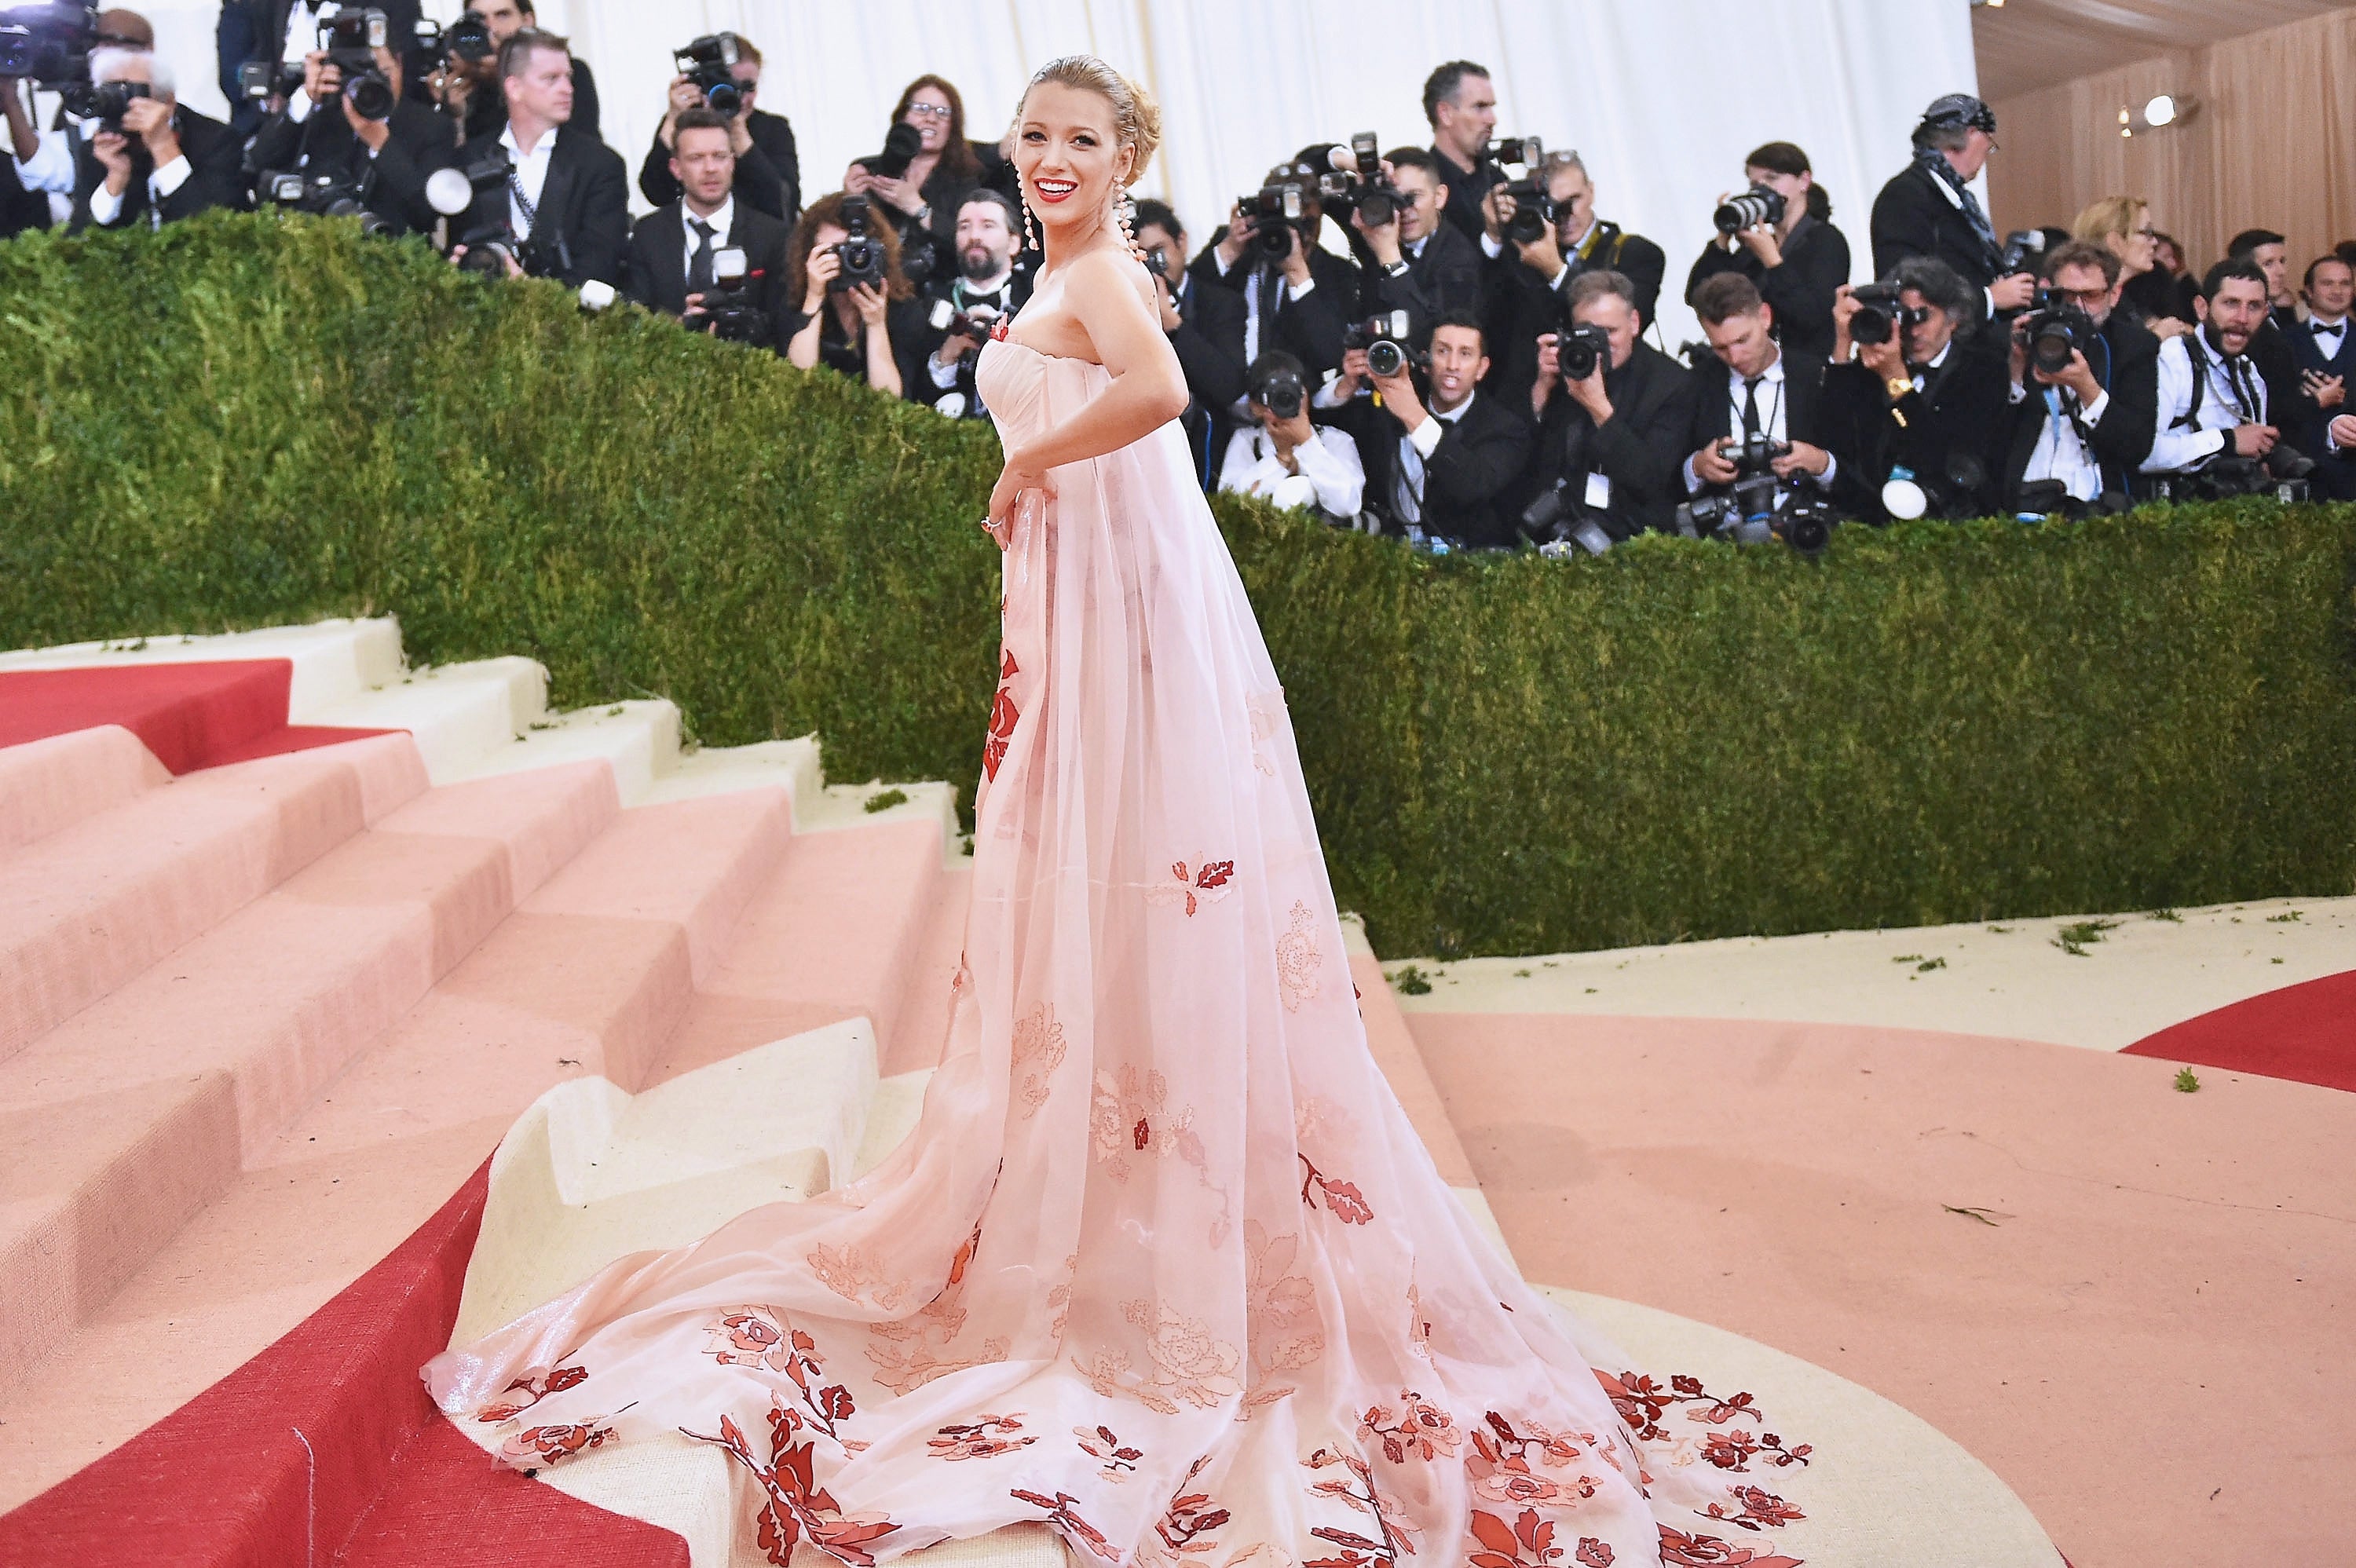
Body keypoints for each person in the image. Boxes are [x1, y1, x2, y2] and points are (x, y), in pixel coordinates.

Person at [431, 62, 1797, 1557]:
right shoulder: (1063, 266)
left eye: (1082, 139)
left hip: (1121, 624)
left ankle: (1163, 1245)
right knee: (1103, 912)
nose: (1051, 158)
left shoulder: (1104, 276)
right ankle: (1121, 1203)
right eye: (1036, 138)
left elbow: (1162, 392)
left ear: (1129, 155)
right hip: (1083, 617)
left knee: (1140, 899)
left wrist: (1025, 458)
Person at [1326, 308, 1535, 548]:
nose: (1452, 365)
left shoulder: (1507, 429)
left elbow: (1474, 483)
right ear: (1424, 362)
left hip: (1465, 564)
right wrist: (1346, 386)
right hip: (1385, 553)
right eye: (1443, 351)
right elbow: (1326, 429)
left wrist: (1414, 416)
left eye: (1465, 354)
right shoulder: (1391, 402)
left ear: (1481, 368)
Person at [1821, 256, 2010, 521]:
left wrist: (1896, 381)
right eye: (1904, 318)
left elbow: (1947, 460)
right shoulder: (1871, 367)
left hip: (1949, 518)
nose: (1913, 330)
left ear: (1953, 318)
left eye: (1923, 316)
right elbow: (1834, 439)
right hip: (1873, 518)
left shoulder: (1984, 369)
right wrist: (1842, 343)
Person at [1520, 270, 1696, 543]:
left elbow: (1651, 480)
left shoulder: (1672, 384)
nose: (1600, 344)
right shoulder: (1567, 366)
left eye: (1610, 331)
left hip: (1637, 537)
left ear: (1635, 323)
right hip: (1557, 529)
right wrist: (1542, 389)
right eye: (1589, 333)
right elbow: (1523, 455)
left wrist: (1599, 407)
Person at [1480, 151, 1666, 402]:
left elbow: (1634, 322)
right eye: (1555, 206)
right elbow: (1484, 316)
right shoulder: (1519, 255)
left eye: (1573, 199)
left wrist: (1556, 270)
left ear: (1591, 191)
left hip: (1611, 400)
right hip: (1534, 407)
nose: (1566, 215)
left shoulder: (1635, 253)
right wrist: (1494, 236)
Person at [447, 30, 627, 289]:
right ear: (514, 88)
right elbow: (461, 243)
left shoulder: (601, 165)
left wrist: (532, 291)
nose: (567, 89)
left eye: (568, 78)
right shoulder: (469, 158)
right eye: (551, 79)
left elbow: (599, 268)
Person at [1999, 241, 2160, 513]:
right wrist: (2016, 372)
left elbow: (2137, 446)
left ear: (2115, 294)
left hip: (2099, 502)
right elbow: (1989, 440)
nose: (2077, 307)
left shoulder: (2134, 346)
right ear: (2049, 290)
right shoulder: (2018, 337)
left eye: (2091, 296)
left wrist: (2087, 388)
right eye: (2068, 296)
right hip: (2022, 497)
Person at [1681, 272, 1856, 518]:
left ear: (1765, 316)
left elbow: (1858, 474)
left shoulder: (1814, 376)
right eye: (1720, 347)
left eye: (1743, 340)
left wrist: (1821, 464)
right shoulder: (1696, 385)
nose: (1735, 357)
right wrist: (1697, 467)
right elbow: (1666, 479)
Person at [240, 38, 455, 236]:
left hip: (391, 253)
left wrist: (381, 145)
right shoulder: (323, 115)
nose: (374, 85)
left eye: (383, 72)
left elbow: (427, 213)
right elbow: (259, 160)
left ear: (399, 64)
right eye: (361, 75)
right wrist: (305, 97)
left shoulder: (432, 127)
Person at [620, 108, 787, 342]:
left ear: (733, 162)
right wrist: (675, 327)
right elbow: (635, 315)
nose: (711, 168)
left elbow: (783, 323)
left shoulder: (771, 235)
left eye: (719, 156)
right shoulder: (648, 233)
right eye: (696, 158)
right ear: (676, 168)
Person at [1869, 93, 2037, 322]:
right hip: (1944, 350)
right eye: (1989, 145)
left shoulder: (1948, 195)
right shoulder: (1904, 197)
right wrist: (1989, 298)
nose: (1986, 157)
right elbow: (1903, 285)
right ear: (1972, 134)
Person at [1685, 141, 1851, 365]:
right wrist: (1723, 239)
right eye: (1755, 183)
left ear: (1804, 181)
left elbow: (1812, 316)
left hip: (1807, 369)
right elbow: (1699, 296)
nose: (1763, 189)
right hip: (1754, 367)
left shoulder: (1825, 240)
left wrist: (1773, 261)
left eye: (1772, 178)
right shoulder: (1755, 248)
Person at [1132, 196, 1246, 488]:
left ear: (1181, 242)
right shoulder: (1122, 309)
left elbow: (1229, 387)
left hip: (1211, 458)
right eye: (1141, 259)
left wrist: (1173, 324)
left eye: (1159, 253)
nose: (1154, 269)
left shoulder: (1221, 303)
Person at [2143, 258, 2284, 484]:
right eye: (2231, 303)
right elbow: (2144, 453)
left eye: (2254, 306)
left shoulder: (2250, 373)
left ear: (2266, 312)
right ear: (2202, 308)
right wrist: (2226, 441)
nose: (2242, 318)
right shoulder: (2172, 359)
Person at [71, 47, 243, 230]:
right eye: (110, 92)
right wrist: (115, 180)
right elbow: (79, 241)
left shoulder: (216, 141)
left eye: (130, 92)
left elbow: (218, 229)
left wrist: (163, 148)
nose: (121, 104)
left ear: (168, 103)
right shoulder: (98, 150)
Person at [846, 75, 991, 291]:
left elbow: (972, 243)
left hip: (941, 289)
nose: (931, 118)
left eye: (943, 112)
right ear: (902, 116)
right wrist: (850, 200)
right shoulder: (869, 169)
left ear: (953, 126)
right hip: (876, 285)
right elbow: (848, 235)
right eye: (921, 108)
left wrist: (919, 208)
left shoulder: (967, 178)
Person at [639, 32, 799, 226]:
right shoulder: (683, 124)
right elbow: (656, 192)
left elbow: (785, 203)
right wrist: (673, 118)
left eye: (748, 86)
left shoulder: (773, 128)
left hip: (759, 240)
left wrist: (743, 143)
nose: (740, 96)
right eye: (727, 85)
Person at [778, 189, 926, 396]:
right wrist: (815, 298)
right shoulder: (795, 304)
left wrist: (876, 325)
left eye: (855, 251)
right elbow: (799, 380)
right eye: (833, 251)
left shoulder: (904, 309)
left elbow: (890, 399)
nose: (846, 261)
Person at [1218, 349, 1366, 523]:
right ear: (1255, 406)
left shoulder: (1336, 441)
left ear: (1307, 396)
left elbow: (1347, 505)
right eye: (1276, 396)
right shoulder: (1247, 442)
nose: (1286, 402)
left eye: (1294, 394)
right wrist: (1282, 458)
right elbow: (1231, 506)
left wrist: (1308, 443)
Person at [426, 0, 598, 148]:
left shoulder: (567, 73)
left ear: (527, 20)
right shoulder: (462, 81)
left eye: (502, 15)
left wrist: (501, 74)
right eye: (479, 19)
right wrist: (453, 114)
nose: (492, 28)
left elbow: (575, 145)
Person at [915, 188, 1023, 420]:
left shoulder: (1037, 294)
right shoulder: (932, 303)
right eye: (964, 226)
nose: (974, 236)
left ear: (1014, 243)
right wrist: (946, 356)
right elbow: (917, 402)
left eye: (988, 225)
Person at [1370, 144, 1483, 319]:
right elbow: (1314, 165)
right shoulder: (1372, 234)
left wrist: (1391, 261)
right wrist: (1354, 165)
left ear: (1439, 197)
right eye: (1393, 199)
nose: (1405, 209)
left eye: (1412, 197)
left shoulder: (1460, 258)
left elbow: (1432, 334)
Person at [2072, 196, 2187, 337]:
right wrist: (2156, 337)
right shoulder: (2087, 300)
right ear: (2115, 243)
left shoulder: (2125, 296)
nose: (2155, 242)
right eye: (2148, 233)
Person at [2289, 254, 2354, 497]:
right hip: (2301, 473)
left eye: (2345, 283)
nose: (2337, 290)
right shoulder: (2283, 343)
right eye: (2328, 283)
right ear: (2309, 291)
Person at [1422, 58, 1501, 245]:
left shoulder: (1498, 179)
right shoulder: (1423, 188)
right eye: (1480, 107)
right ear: (1445, 113)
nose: (1492, 119)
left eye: (1491, 107)